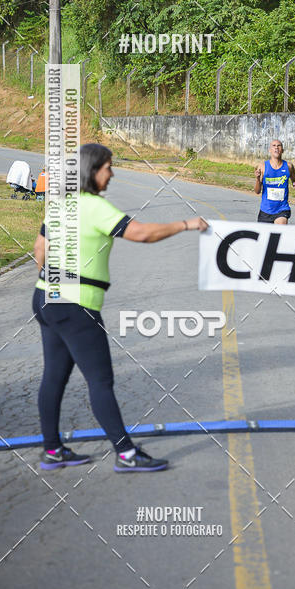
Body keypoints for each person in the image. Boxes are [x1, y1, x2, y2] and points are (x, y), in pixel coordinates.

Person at [32, 143, 207, 473]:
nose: (112, 174)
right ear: (93, 170)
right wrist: (186, 224)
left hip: (46, 297)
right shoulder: (95, 207)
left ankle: (52, 449)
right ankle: (126, 454)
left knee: (53, 377)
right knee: (101, 381)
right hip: (76, 305)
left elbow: (40, 250)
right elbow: (140, 234)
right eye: (108, 167)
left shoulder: (60, 205)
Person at [254, 139, 295, 224]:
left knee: (280, 228)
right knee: (265, 237)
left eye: (279, 146)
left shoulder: (288, 166)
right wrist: (257, 179)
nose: (276, 148)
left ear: (282, 150)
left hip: (282, 209)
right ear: (270, 150)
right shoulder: (263, 166)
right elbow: (257, 191)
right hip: (265, 210)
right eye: (274, 146)